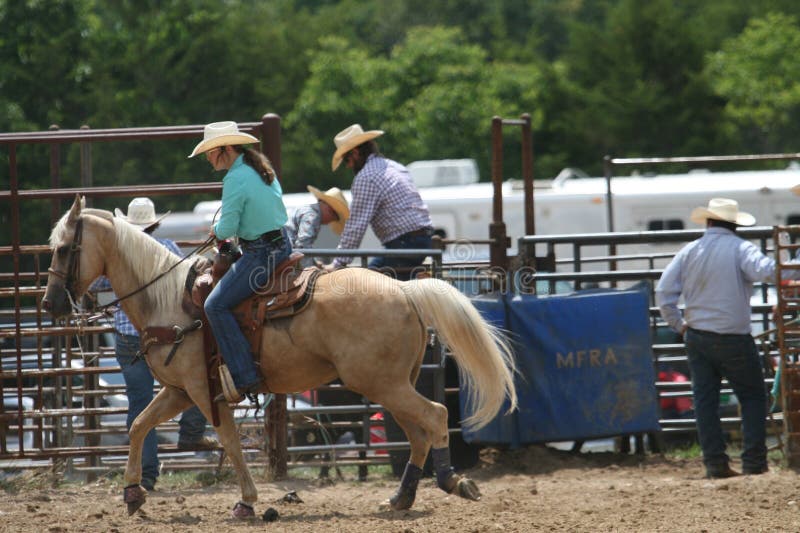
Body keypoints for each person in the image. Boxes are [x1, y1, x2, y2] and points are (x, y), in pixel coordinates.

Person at [656, 198, 800, 479]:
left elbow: (663, 293)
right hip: (734, 337)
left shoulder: (689, 251)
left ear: (708, 221)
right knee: (752, 396)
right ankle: (753, 462)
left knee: (705, 401)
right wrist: (789, 260)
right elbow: (771, 272)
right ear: (735, 224)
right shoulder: (740, 248)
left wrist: (680, 326)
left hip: (697, 335)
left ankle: (715, 463)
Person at [90, 197, 216, 492]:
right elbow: (187, 281)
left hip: (128, 336)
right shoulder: (166, 247)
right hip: (164, 336)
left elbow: (93, 284)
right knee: (194, 382)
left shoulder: (118, 255)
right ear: (154, 224)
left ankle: (145, 475)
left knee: (140, 402)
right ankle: (191, 431)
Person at [188, 121, 291, 401]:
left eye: (210, 152)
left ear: (226, 149)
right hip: (282, 244)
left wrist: (216, 230)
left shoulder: (235, 178)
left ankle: (245, 377)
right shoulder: (259, 167)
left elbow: (228, 227)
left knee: (215, 305)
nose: (208, 158)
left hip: (261, 253)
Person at [323, 124, 433, 280]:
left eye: (347, 159)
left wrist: (338, 264)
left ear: (355, 153)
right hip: (423, 239)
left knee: (366, 284)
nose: (348, 166)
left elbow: (356, 226)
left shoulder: (366, 177)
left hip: (405, 244)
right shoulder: (395, 166)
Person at [284, 185, 350, 267]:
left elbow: (304, 246)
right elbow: (303, 245)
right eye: (333, 218)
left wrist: (314, 262)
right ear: (329, 210)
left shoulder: (309, 212)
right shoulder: (312, 216)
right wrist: (310, 268)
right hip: (285, 255)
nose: (329, 222)